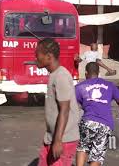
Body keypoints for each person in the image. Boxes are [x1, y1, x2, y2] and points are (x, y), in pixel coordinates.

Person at [75, 62, 119, 166]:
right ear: (99, 73)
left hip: (87, 122)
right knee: (97, 155)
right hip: (105, 124)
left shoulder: (79, 87)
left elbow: (72, 105)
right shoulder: (110, 85)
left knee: (82, 147)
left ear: (86, 73)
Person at [36, 38, 80, 166]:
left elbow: (64, 111)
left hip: (64, 139)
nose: (35, 58)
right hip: (51, 137)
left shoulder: (61, 76)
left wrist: (58, 141)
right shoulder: (54, 74)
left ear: (49, 57)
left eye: (38, 54)